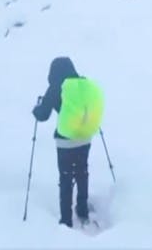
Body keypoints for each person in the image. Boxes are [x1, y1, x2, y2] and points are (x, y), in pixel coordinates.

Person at [32, 57, 104, 229]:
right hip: (85, 137)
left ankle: (66, 220)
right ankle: (82, 209)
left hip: (65, 141)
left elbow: (43, 115)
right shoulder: (83, 84)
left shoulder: (56, 87)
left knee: (65, 177)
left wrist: (37, 108)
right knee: (82, 172)